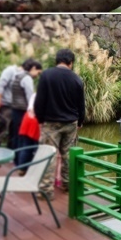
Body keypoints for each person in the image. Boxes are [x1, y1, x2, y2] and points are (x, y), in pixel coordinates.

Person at [34, 49, 86, 199]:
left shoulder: (46, 75)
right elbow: (81, 105)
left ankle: (45, 190)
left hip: (51, 123)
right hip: (70, 123)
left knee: (48, 155)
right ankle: (68, 186)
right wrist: (80, 122)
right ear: (71, 63)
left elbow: (40, 101)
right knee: (69, 156)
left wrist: (40, 119)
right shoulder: (77, 79)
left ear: (56, 61)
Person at [6, 59, 43, 168]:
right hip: (23, 112)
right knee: (24, 141)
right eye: (38, 72)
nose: (37, 75)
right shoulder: (27, 79)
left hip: (15, 109)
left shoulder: (17, 76)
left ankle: (16, 161)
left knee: (17, 136)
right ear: (33, 68)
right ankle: (22, 165)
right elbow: (30, 97)